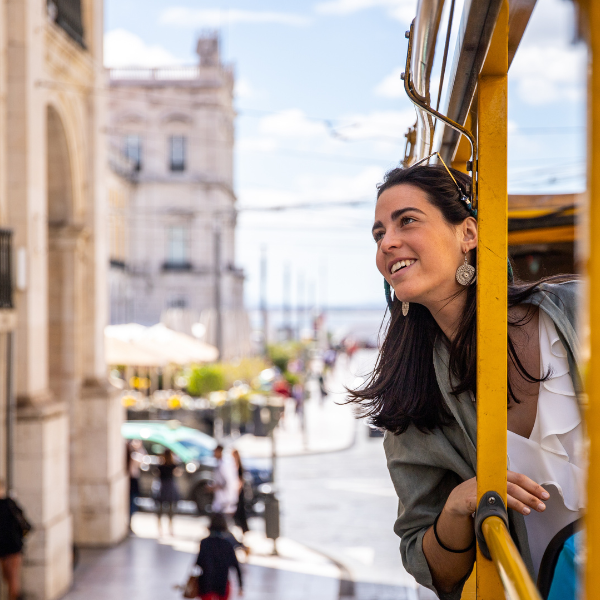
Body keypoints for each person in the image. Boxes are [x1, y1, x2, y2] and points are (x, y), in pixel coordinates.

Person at [348, 160, 583, 599]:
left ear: (468, 234)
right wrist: (461, 504)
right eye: (379, 234)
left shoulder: (575, 313)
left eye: (407, 221)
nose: (388, 243)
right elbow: (431, 568)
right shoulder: (413, 395)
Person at [195, 513, 243, 599]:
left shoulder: (204, 543)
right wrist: (240, 586)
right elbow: (235, 565)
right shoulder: (227, 544)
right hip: (222, 582)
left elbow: (199, 562)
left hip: (206, 583)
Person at [0, 479, 31, 600]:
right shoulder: (10, 504)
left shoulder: (9, 504)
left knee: (12, 578)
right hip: (5, 547)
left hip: (13, 546)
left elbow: (22, 523)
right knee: (8, 577)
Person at [155, 448, 180, 536]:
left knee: (160, 510)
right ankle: (170, 529)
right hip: (169, 488)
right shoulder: (173, 466)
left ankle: (160, 529)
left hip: (163, 488)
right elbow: (179, 472)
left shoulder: (161, 466)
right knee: (170, 511)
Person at [210, 446, 239, 517]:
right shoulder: (220, 463)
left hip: (225, 498)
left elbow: (226, 482)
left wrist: (214, 487)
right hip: (221, 499)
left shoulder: (225, 465)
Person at [127, 439, 146, 529]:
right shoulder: (133, 455)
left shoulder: (135, 454)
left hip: (134, 479)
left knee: (133, 501)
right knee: (131, 502)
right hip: (132, 479)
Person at [231, 449, 249, 540]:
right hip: (236, 491)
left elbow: (240, 480)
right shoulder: (234, 465)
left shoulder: (239, 466)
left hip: (239, 492)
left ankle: (244, 530)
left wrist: (237, 491)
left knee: (240, 511)